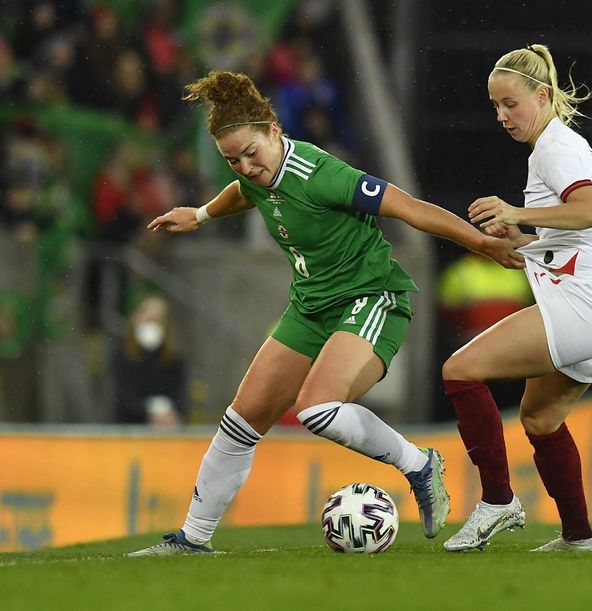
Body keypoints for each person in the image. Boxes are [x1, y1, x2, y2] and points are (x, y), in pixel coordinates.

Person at [129, 70, 523, 556]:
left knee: (316, 408)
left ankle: (420, 466)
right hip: (311, 306)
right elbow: (245, 192)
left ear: (276, 130)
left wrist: (481, 243)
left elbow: (407, 207)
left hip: (370, 298)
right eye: (232, 160)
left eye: (252, 153)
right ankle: (192, 540)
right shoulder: (253, 175)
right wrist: (203, 214)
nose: (246, 167)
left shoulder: (321, 174)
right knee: (240, 420)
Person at [440, 44, 592, 553]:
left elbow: (589, 212)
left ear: (542, 95)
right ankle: (579, 537)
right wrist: (523, 246)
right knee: (540, 418)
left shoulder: (554, 148)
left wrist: (516, 213)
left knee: (460, 370)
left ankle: (498, 502)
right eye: (495, 107)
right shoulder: (558, 147)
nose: (503, 116)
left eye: (511, 103)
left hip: (587, 300)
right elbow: (578, 232)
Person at [111, 294, 187, 426]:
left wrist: (169, 412)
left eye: (157, 320)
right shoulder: (122, 356)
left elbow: (181, 397)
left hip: (167, 430)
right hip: (129, 429)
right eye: (148, 320)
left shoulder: (174, 359)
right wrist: (149, 412)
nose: (152, 325)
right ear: (136, 320)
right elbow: (123, 397)